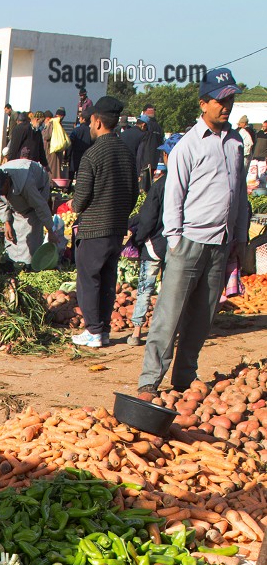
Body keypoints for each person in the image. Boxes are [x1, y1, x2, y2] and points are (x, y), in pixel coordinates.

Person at [138, 68, 247, 396]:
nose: (225, 106)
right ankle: (149, 381)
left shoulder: (236, 143)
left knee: (202, 318)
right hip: (188, 241)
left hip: (221, 243)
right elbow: (174, 194)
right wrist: (174, 239)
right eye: (219, 100)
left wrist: (239, 237)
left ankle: (184, 377)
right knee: (169, 316)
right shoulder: (188, 145)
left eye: (230, 99)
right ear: (203, 103)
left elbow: (239, 193)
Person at [71, 95, 138, 348]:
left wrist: (78, 208)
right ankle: (104, 330)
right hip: (116, 228)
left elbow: (80, 200)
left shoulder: (92, 155)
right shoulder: (126, 153)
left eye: (90, 122)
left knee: (89, 278)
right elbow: (133, 193)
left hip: (94, 228)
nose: (89, 126)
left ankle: (93, 330)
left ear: (98, 122)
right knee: (108, 278)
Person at [126, 135, 179, 346]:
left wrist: (137, 239)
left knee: (145, 289)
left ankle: (137, 332)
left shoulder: (161, 185)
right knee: (170, 290)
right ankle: (168, 332)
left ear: (167, 156)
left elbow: (148, 218)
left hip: (155, 244)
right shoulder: (190, 184)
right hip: (178, 246)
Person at [0, 161, 56, 265]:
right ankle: (12, 260)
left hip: (38, 185)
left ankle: (30, 263)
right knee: (12, 233)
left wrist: (50, 230)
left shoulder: (26, 184)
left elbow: (40, 206)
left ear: (7, 182)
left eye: (1, 190)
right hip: (18, 192)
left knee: (31, 230)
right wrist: (6, 223)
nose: (0, 193)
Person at [138, 107, 164, 191]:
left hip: (144, 158)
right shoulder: (159, 127)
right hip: (155, 158)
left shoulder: (147, 126)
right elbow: (161, 142)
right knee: (150, 180)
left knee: (143, 183)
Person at [46, 108, 70, 188]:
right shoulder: (56, 123)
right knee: (54, 168)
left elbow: (46, 136)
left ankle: (51, 185)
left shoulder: (52, 123)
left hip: (52, 149)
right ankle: (52, 185)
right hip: (54, 150)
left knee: (51, 168)